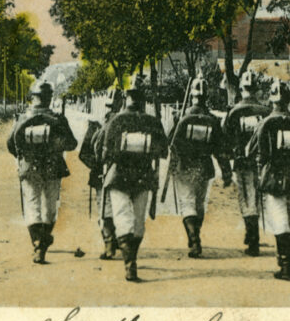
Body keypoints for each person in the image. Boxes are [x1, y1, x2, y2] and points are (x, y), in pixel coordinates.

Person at [96, 75, 168, 282]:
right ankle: (132, 261)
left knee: (122, 217)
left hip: (119, 176)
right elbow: (163, 151)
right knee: (137, 220)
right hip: (144, 176)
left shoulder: (116, 120)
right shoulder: (152, 122)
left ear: (126, 97)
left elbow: (105, 154)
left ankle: (129, 264)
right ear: (143, 98)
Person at [6, 82, 78, 264]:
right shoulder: (58, 119)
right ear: (49, 98)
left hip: (29, 167)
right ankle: (44, 241)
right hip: (53, 167)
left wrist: (23, 158)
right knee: (50, 206)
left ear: (33, 97)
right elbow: (72, 143)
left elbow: (10, 143)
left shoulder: (23, 118)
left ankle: (37, 243)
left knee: (32, 205)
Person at [245, 80, 290, 280]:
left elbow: (251, 151)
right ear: (288, 100)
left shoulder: (265, 124)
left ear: (272, 100)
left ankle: (285, 264)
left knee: (280, 221)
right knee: (289, 221)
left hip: (274, 179)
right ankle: (284, 260)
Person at [167, 77, 231, 258]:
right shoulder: (212, 120)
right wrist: (226, 170)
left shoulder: (182, 118)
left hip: (185, 166)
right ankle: (195, 236)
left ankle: (194, 240)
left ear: (192, 96)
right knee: (199, 203)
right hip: (204, 167)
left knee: (187, 203)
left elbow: (171, 143)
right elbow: (220, 149)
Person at [221, 70, 270, 256]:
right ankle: (252, 235)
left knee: (246, 198)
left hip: (242, 162)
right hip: (261, 163)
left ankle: (253, 238)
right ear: (256, 90)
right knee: (255, 198)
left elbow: (226, 139)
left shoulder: (234, 113)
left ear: (241, 89)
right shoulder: (265, 112)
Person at [78, 88, 123, 260]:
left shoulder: (96, 125)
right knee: (121, 208)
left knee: (104, 207)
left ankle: (109, 243)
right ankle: (115, 240)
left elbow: (83, 154)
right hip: (121, 174)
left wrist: (96, 167)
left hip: (100, 175)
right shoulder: (124, 124)